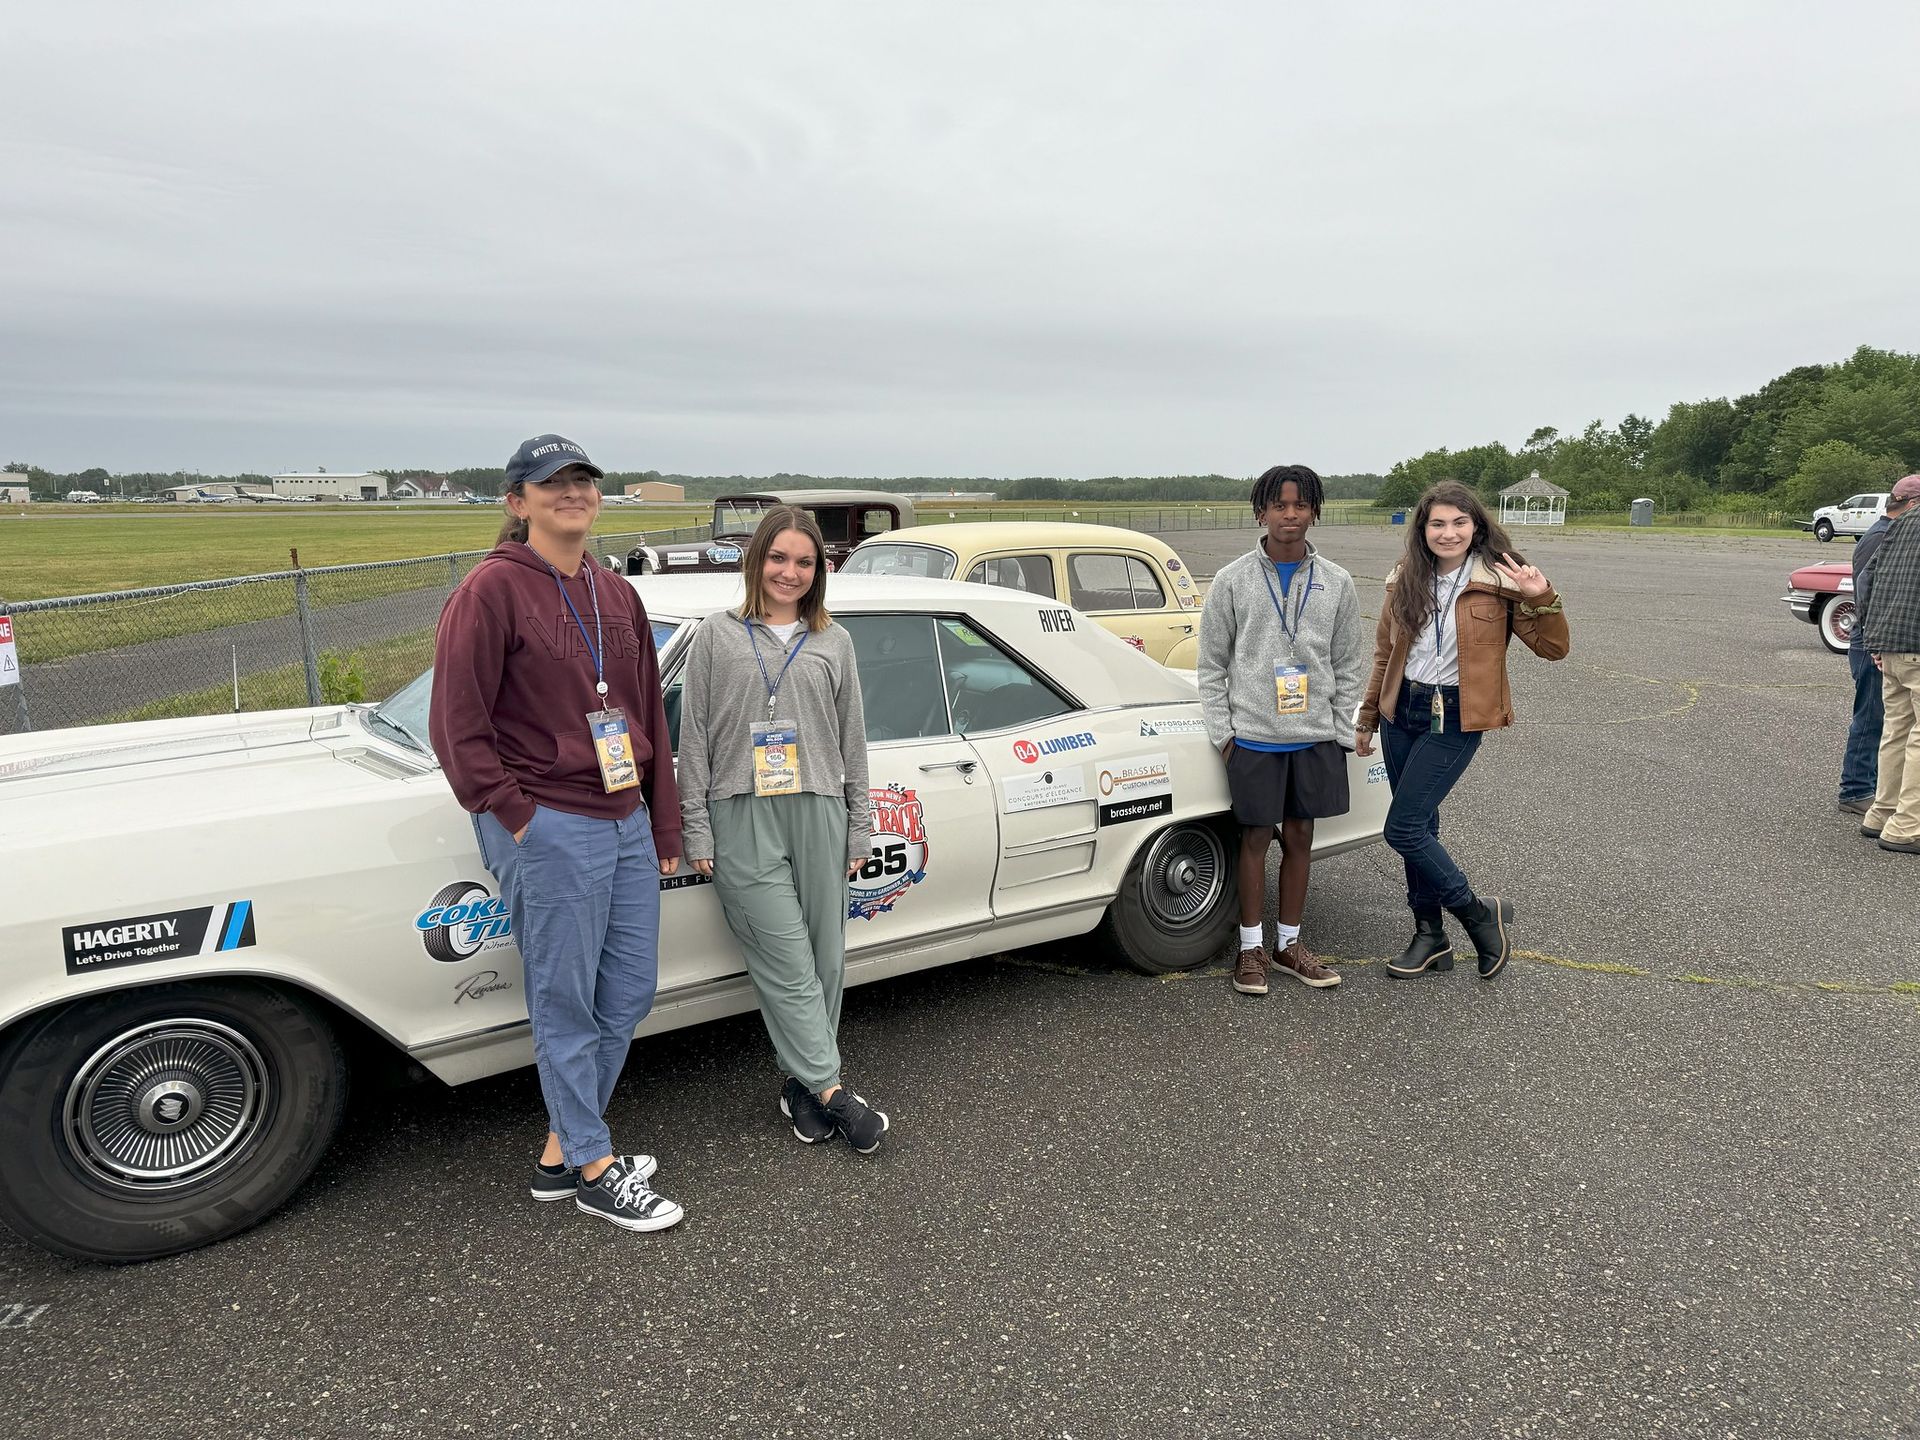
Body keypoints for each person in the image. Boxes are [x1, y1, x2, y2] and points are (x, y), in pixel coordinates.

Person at [429, 433, 685, 1233]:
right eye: (551, 483)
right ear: (517, 501)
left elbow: (645, 716)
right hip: (549, 822)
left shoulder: (618, 592)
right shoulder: (491, 591)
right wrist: (517, 818)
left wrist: (662, 815)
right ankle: (596, 1166)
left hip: (624, 819)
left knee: (630, 990)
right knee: (565, 1001)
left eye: (582, 481)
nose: (571, 493)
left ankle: (561, 1154)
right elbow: (457, 727)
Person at [677, 507, 889, 1151]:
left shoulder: (835, 642)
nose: (788, 573)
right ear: (756, 559)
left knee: (825, 959)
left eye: (803, 561)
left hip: (819, 808)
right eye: (778, 558)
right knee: (787, 960)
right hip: (740, 812)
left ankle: (798, 1087)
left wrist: (860, 827)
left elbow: (853, 739)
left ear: (818, 570)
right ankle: (832, 1089)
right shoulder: (716, 635)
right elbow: (694, 736)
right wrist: (697, 827)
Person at [1354, 481, 1569, 980]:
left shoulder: (1502, 578)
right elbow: (1385, 653)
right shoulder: (1404, 578)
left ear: (1476, 526)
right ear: (1422, 529)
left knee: (1402, 828)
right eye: (1437, 523)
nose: (1448, 533)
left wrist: (1543, 598)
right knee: (1421, 827)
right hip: (1400, 712)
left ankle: (1476, 914)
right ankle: (1430, 937)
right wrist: (1368, 716)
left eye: (1459, 522)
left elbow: (1554, 650)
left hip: (1456, 716)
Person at [1198, 464, 1366, 997]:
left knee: (1300, 837)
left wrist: (1339, 732)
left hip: (1313, 738)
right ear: (1261, 512)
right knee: (1253, 839)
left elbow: (1348, 665)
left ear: (1315, 510)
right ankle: (1250, 950)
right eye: (1279, 505)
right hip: (1253, 739)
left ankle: (1288, 945)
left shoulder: (1337, 582)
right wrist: (1225, 735)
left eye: (1300, 505)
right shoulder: (1232, 580)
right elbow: (1211, 667)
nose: (1289, 515)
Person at [1838, 481, 1915, 812]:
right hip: (1874, 636)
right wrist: (1875, 637)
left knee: (1889, 720)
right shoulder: (1884, 535)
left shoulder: (1886, 531)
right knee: (1872, 716)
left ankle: (1879, 791)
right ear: (1912, 503)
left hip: (1876, 634)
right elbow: (1866, 587)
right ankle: (1855, 790)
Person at [1856, 474, 1920, 855]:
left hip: (1891, 647)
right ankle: (1907, 826)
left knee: (1896, 730)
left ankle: (1881, 812)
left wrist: (1872, 638)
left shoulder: (1897, 525)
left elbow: (1866, 580)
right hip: (1916, 645)